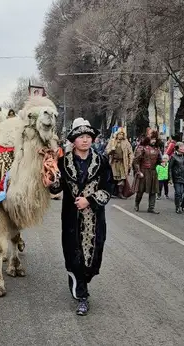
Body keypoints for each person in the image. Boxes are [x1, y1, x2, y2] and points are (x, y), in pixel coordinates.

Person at [47, 118, 111, 316]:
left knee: (92, 258)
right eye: (81, 137)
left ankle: (82, 280)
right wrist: (50, 176)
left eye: (88, 137)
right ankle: (82, 296)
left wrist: (89, 200)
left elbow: (108, 189)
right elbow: (57, 188)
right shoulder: (63, 162)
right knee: (74, 256)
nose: (85, 140)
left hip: (94, 219)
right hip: (71, 219)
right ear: (73, 141)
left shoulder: (101, 162)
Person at [132, 131, 162, 213]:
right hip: (143, 171)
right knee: (140, 190)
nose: (154, 141)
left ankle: (151, 208)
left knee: (153, 191)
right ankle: (136, 204)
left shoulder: (157, 149)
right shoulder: (142, 148)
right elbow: (136, 161)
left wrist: (162, 162)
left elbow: (159, 160)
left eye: (155, 139)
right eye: (152, 139)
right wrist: (138, 171)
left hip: (153, 172)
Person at [105, 129, 133, 198]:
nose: (121, 135)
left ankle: (120, 193)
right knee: (113, 178)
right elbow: (107, 151)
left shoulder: (126, 143)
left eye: (122, 134)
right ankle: (112, 192)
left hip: (122, 163)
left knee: (122, 178)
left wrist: (130, 163)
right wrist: (112, 150)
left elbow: (130, 153)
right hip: (113, 163)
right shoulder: (112, 141)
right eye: (119, 134)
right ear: (117, 134)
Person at [168, 142, 184, 214]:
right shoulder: (173, 156)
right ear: (177, 148)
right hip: (177, 178)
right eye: (181, 147)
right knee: (178, 193)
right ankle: (177, 207)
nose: (183, 148)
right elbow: (170, 168)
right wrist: (170, 179)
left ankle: (183, 204)